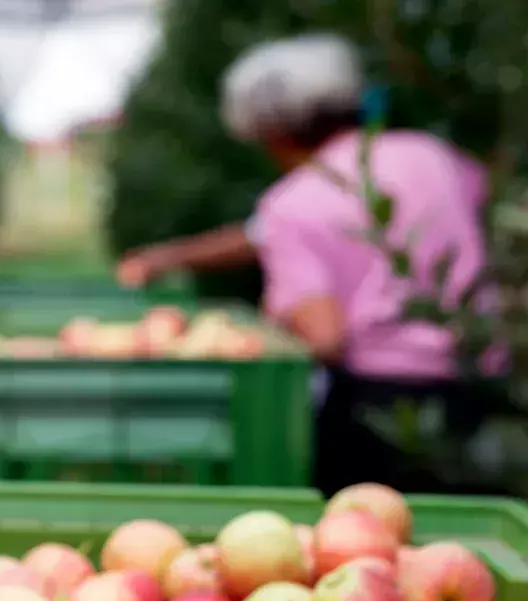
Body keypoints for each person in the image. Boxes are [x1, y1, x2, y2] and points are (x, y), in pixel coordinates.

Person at [116, 34, 501, 496]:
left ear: (271, 133)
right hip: (484, 384)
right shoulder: (433, 156)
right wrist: (171, 257)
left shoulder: (294, 203)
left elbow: (324, 336)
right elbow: (276, 232)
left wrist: (275, 317)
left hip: (381, 411)